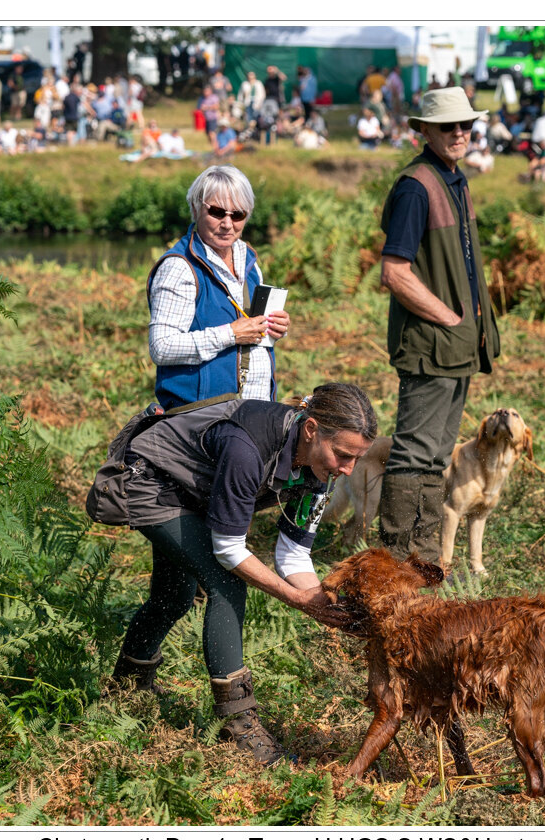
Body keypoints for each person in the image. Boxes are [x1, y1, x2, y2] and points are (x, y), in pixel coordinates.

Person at [109, 383, 377, 764]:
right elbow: (229, 550)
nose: (347, 469)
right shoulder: (247, 447)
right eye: (343, 455)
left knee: (174, 596)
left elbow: (293, 552)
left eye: (357, 459)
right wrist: (296, 599)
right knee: (227, 580)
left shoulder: (322, 471)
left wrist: (322, 601)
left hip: (197, 493)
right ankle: (238, 725)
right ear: (311, 430)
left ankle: (126, 686)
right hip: (152, 481)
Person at [377, 87, 500, 561]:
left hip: (456, 346)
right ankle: (398, 563)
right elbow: (395, 273)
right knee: (414, 454)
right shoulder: (416, 186)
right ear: (424, 130)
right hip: (433, 344)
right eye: (448, 125)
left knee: (435, 454)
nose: (459, 132)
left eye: (466, 124)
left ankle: (424, 560)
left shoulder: (454, 179)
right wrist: (449, 318)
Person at [146, 165, 290, 411]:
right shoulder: (179, 267)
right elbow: (162, 347)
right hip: (204, 415)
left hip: (256, 408)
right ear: (195, 209)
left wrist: (274, 327)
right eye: (217, 212)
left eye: (238, 215)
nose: (227, 224)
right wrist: (230, 334)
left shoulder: (248, 261)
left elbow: (251, 332)